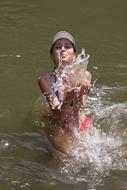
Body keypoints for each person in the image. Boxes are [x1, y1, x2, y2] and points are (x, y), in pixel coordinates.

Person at [38, 31, 92, 154]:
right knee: (66, 158)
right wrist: (68, 98)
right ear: (52, 56)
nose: (63, 49)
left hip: (82, 123)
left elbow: (81, 108)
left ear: (74, 54)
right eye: (58, 47)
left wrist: (80, 94)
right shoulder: (45, 79)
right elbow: (59, 114)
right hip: (62, 126)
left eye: (67, 46)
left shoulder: (85, 75)